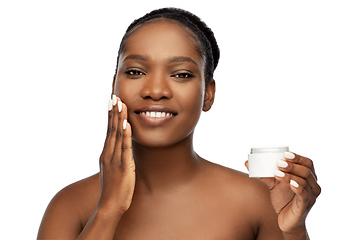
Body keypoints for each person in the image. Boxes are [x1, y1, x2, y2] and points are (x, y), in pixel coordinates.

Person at [37, 8, 321, 240]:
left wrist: (293, 231)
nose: (156, 90)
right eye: (135, 71)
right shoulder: (69, 206)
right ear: (114, 87)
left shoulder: (257, 202)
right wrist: (109, 209)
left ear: (208, 94)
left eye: (182, 74)